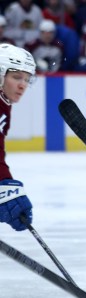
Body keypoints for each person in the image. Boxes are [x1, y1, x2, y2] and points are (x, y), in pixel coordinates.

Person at [0, 43, 36, 232]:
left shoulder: (3, 101)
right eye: (16, 77)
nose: (23, 85)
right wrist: (4, 184)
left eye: (27, 79)